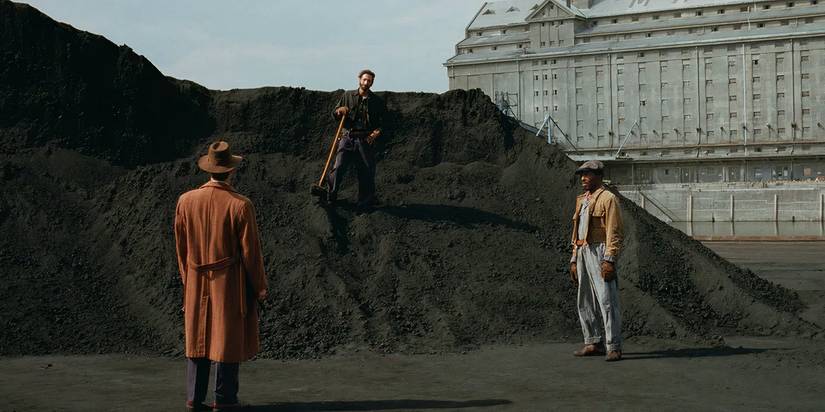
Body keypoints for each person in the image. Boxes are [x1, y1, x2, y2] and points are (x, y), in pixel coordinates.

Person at [175, 141, 268, 411]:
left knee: (198, 337)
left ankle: (194, 398)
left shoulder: (185, 201)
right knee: (226, 337)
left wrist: (188, 279)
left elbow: (181, 249)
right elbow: (252, 253)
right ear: (231, 171)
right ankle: (225, 400)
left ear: (209, 169)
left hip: (195, 278)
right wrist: (259, 287)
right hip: (227, 282)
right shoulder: (240, 205)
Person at [569, 160, 624, 362]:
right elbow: (576, 232)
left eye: (587, 174)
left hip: (600, 252)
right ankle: (593, 341)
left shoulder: (608, 199)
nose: (583, 178)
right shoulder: (582, 200)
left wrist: (609, 259)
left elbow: (614, 231)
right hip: (583, 251)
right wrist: (574, 258)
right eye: (582, 174)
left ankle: (613, 346)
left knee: (607, 300)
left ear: (598, 176)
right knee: (584, 300)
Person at [326, 69, 386, 209]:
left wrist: (377, 132)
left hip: (365, 139)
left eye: (369, 80)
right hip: (347, 137)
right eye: (364, 79)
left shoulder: (376, 101)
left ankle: (364, 202)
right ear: (359, 79)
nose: (366, 82)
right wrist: (339, 111)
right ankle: (331, 196)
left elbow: (384, 122)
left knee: (367, 169)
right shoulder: (347, 96)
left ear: (372, 83)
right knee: (338, 166)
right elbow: (334, 114)